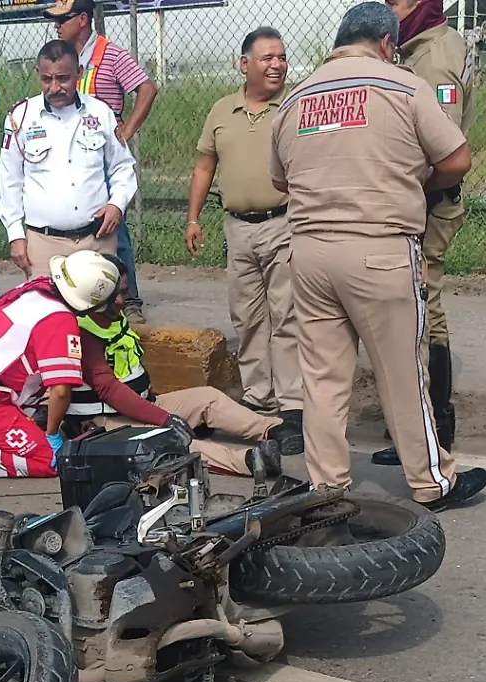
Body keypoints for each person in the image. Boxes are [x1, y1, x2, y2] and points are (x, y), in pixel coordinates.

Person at [269, 2, 486, 511]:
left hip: (308, 253)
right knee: (402, 371)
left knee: (322, 379)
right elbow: (457, 159)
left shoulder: (298, 95)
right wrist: (412, 179)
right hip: (380, 250)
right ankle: (432, 483)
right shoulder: (402, 85)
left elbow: (279, 179)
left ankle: (327, 486)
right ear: (388, 44)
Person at [186, 26, 303, 455]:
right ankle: (258, 400)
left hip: (285, 223)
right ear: (245, 64)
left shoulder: (293, 107)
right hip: (237, 227)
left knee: (287, 315)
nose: (277, 65)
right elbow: (204, 167)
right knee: (248, 316)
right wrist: (193, 218)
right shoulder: (222, 111)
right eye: (268, 58)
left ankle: (295, 408)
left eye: (281, 57)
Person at [69, 260, 283, 481]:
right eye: (116, 295)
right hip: (105, 422)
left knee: (207, 398)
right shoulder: (82, 330)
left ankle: (274, 430)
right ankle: (251, 461)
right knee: (171, 441)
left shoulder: (111, 316)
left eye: (124, 292)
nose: (122, 301)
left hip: (142, 405)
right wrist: (165, 418)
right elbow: (109, 390)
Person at [372, 0, 473, 467]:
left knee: (423, 306)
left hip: (428, 202)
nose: (391, 8)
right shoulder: (414, 49)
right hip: (416, 199)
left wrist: (400, 185)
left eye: (398, 1)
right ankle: (421, 426)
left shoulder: (434, 55)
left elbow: (444, 151)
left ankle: (434, 428)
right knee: (414, 305)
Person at [0, 250, 122, 481]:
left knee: (38, 414)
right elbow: (60, 391)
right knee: (57, 462)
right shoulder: (59, 320)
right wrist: (52, 437)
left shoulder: (35, 290)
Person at [46, 0, 154, 318]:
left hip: (103, 155)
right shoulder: (61, 57)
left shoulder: (111, 54)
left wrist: (127, 131)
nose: (56, 26)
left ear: (82, 20)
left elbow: (146, 89)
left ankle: (127, 298)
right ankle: (79, 291)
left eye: (62, 19)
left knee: (113, 229)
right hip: (69, 155)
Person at [0, 40, 136, 279]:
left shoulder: (100, 112)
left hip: (97, 240)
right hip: (43, 244)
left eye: (63, 78)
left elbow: (122, 166)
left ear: (78, 73)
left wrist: (117, 204)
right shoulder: (20, 118)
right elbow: (10, 180)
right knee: (48, 313)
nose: (54, 87)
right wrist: (15, 234)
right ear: (38, 75)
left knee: (99, 314)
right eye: (46, 79)